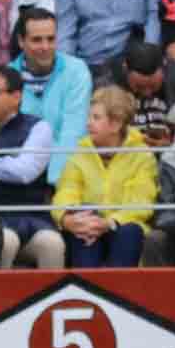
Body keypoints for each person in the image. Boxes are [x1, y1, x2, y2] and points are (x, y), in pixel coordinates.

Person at [49, 87, 156, 267]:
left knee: (130, 231)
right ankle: (87, 288)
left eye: (96, 118)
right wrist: (68, 220)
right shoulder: (80, 153)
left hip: (121, 228)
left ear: (115, 124)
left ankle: (117, 291)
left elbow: (141, 204)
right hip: (87, 229)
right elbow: (65, 193)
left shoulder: (142, 155)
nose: (88, 124)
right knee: (83, 216)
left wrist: (109, 223)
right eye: (89, 117)